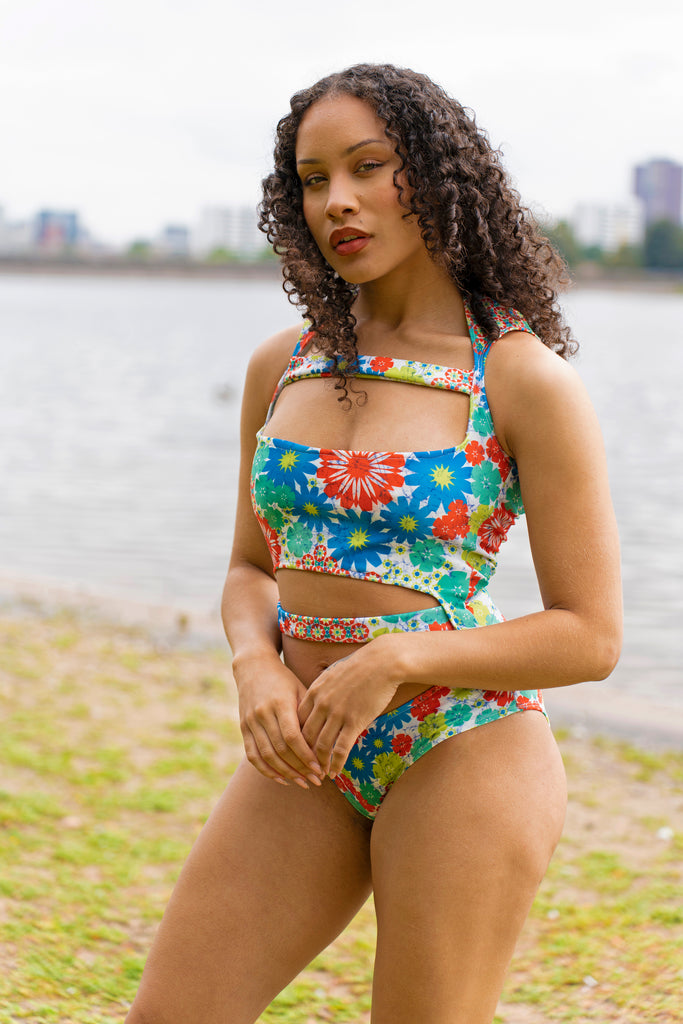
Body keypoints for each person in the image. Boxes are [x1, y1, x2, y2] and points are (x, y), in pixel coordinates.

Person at [125, 64, 622, 1024]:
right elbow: (248, 568)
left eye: (367, 166)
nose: (337, 202)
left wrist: (397, 658)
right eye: (313, 180)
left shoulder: (519, 379)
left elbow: (589, 637)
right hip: (308, 745)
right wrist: (254, 667)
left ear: (435, 176)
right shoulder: (284, 364)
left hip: (462, 744)